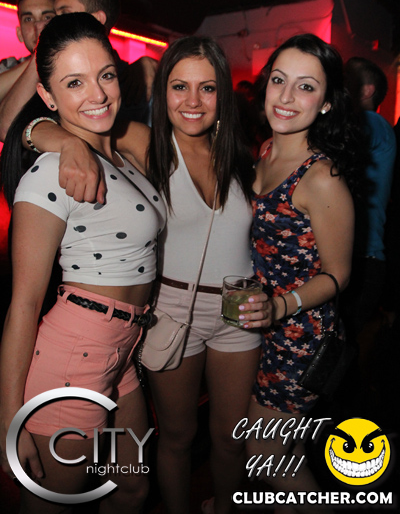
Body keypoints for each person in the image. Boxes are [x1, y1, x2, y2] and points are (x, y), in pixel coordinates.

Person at [14, 35, 270, 514]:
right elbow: (51, 124)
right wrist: (61, 140)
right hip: (167, 311)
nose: (193, 101)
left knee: (226, 439)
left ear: (224, 95)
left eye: (208, 88)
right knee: (176, 436)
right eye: (179, 86)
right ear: (161, 92)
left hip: (230, 315)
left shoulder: (244, 158)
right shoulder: (147, 143)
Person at [0, 12, 166, 514]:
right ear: (48, 97)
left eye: (105, 75)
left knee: (133, 487)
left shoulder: (123, 157)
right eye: (74, 83)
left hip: (124, 350)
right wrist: (8, 420)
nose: (97, 94)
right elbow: (23, 305)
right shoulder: (49, 174)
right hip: (74, 357)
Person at [245, 34, 357, 513]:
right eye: (278, 80)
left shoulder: (321, 177)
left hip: (301, 339)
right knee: (280, 460)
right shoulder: (267, 150)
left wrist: (280, 306)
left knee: (266, 453)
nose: (286, 96)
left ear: (326, 102)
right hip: (261, 329)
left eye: (306, 86)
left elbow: (338, 275)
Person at [0, 0, 156, 143]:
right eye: (74, 83)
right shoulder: (26, 69)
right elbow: (7, 128)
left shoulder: (134, 81)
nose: (49, 23)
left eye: (107, 76)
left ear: (97, 20)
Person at [343, 56, 396, 338]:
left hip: (363, 259)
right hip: (357, 257)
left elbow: (339, 141)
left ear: (367, 90)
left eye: (347, 80)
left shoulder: (373, 122)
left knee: (340, 349)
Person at [0, 0, 56, 138]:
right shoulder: (10, 66)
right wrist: (40, 55)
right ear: (19, 33)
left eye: (47, 17)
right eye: (28, 19)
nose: (38, 25)